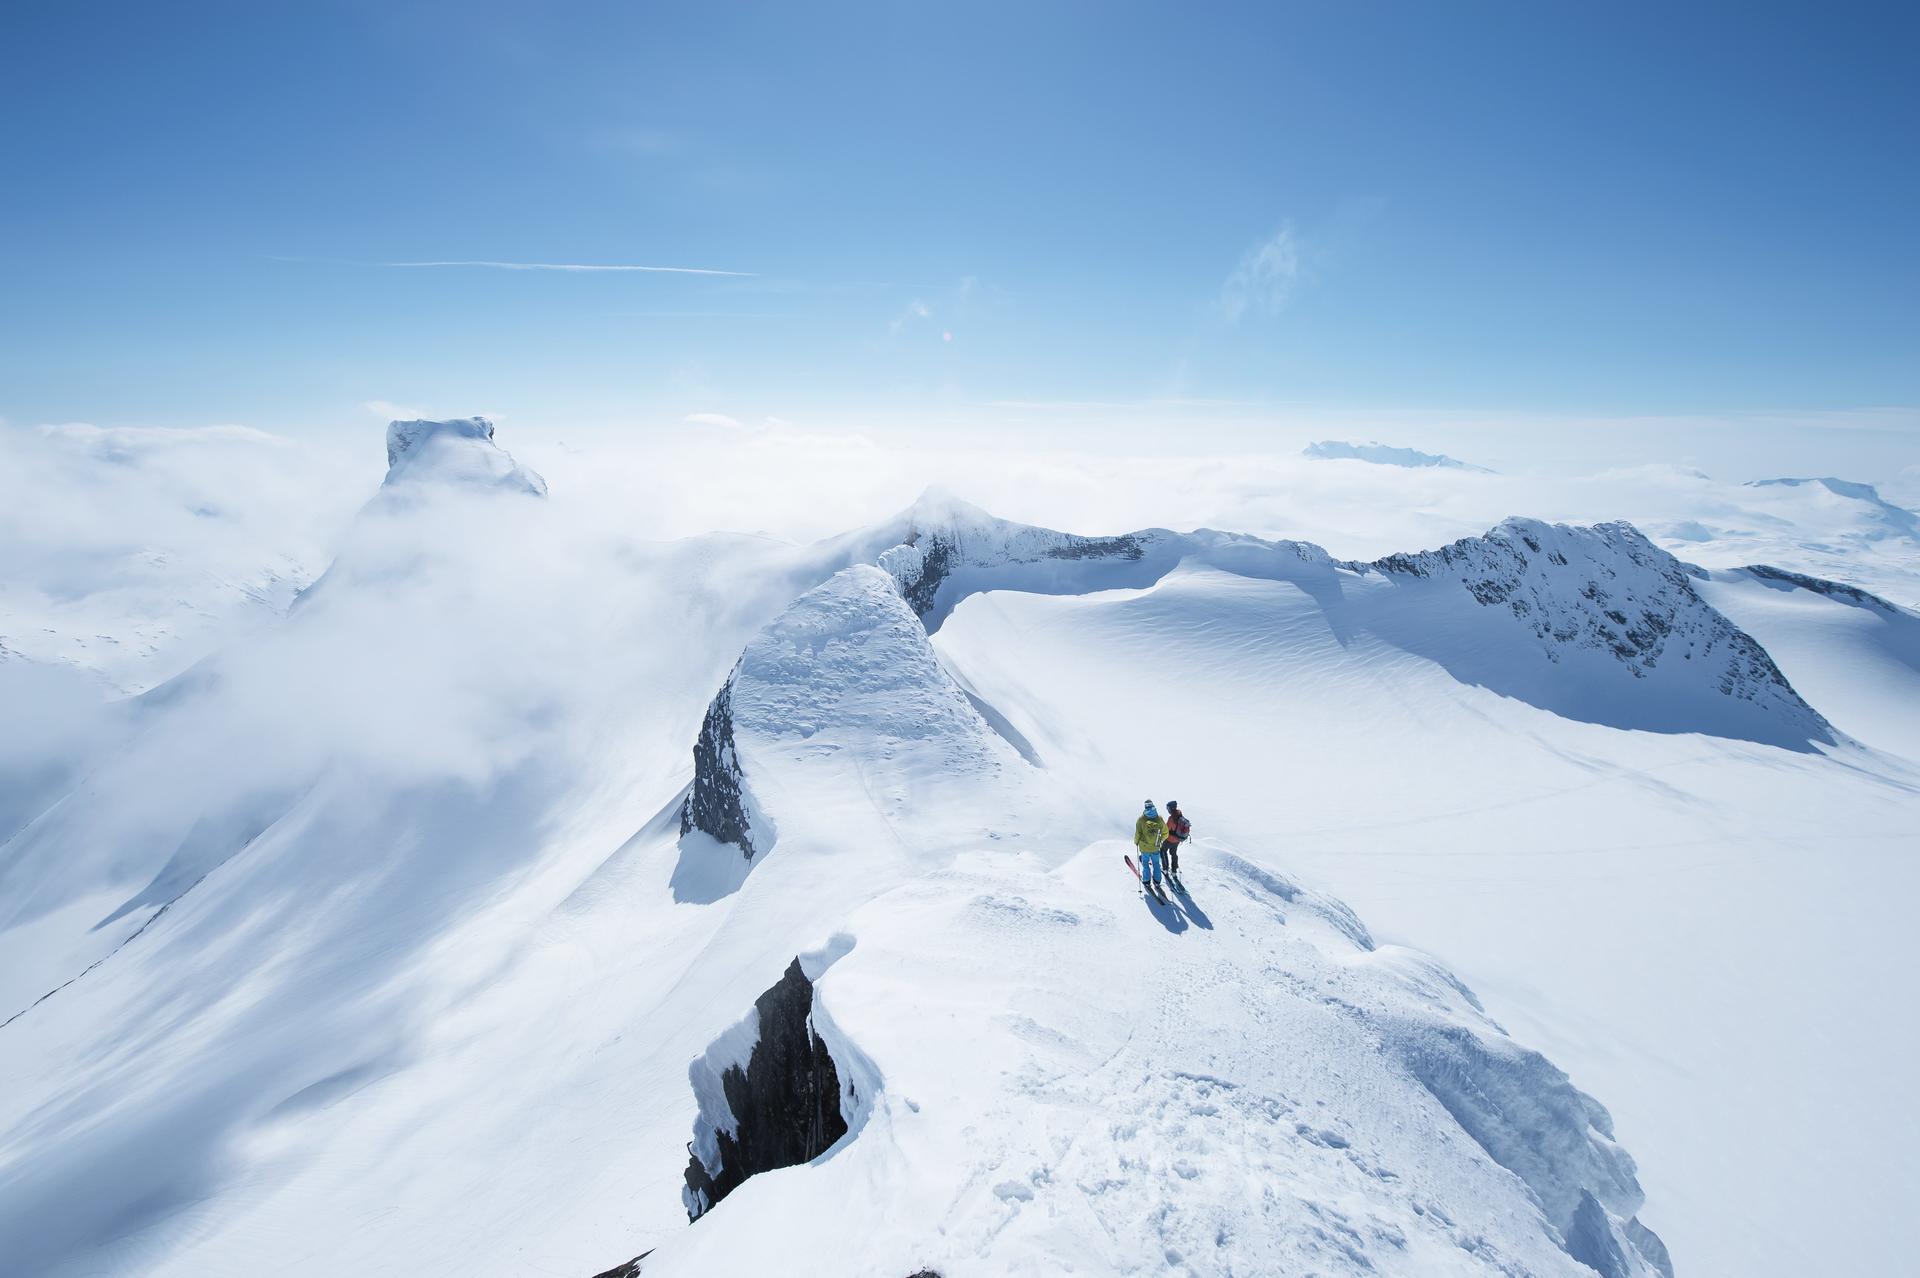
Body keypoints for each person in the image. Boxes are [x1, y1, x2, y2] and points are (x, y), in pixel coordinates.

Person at [1134, 800, 1168, 892]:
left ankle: (1147, 881)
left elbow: (1138, 833)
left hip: (1144, 847)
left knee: (1145, 864)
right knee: (1156, 864)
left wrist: (1136, 842)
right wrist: (1160, 840)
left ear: (1145, 807)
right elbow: (1166, 833)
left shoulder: (1141, 819)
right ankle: (1157, 881)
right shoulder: (1159, 818)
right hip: (1155, 847)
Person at [1162, 800, 1192, 881]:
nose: (1167, 810)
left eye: (1168, 808)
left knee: (1163, 851)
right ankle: (1174, 871)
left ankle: (1165, 869)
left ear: (1170, 808)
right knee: (1173, 854)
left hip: (1169, 839)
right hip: (1177, 840)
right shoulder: (1179, 815)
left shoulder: (1171, 818)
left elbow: (1166, 829)